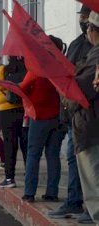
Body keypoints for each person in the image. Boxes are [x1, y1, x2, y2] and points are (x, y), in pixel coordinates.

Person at [48, 5, 93, 221]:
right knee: (75, 160)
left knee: (90, 164)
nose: (83, 21)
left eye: (87, 18)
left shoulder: (94, 51)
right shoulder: (77, 43)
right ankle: (74, 201)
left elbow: (83, 81)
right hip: (72, 114)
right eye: (81, 17)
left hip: (87, 114)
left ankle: (90, 208)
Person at [62, 11, 99, 225]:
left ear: (93, 30)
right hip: (88, 126)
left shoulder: (96, 55)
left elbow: (79, 90)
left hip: (91, 127)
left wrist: (66, 97)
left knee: (93, 184)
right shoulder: (92, 53)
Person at [20, 35, 66, 203]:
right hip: (59, 118)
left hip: (39, 116)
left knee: (34, 155)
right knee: (53, 155)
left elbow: (23, 88)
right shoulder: (63, 67)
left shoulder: (37, 68)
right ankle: (52, 192)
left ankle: (29, 192)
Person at [0, 53, 27, 188]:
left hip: (5, 111)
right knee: (25, 144)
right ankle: (30, 174)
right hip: (24, 110)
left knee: (10, 144)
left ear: (9, 58)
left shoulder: (1, 70)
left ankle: (10, 178)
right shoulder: (27, 69)